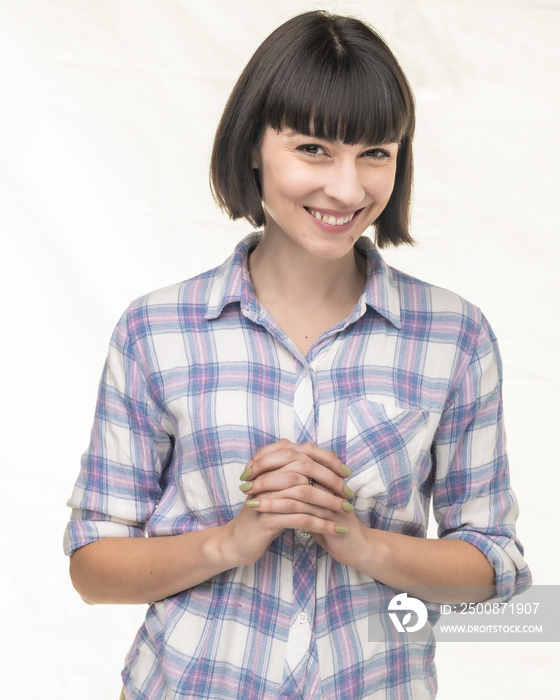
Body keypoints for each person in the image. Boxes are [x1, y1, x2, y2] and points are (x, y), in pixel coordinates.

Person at [64, 10, 531, 699]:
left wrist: (362, 544)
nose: (348, 189)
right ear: (255, 145)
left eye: (375, 152)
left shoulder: (452, 336)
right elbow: (91, 569)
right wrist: (232, 540)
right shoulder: (156, 331)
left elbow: (500, 573)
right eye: (313, 148)